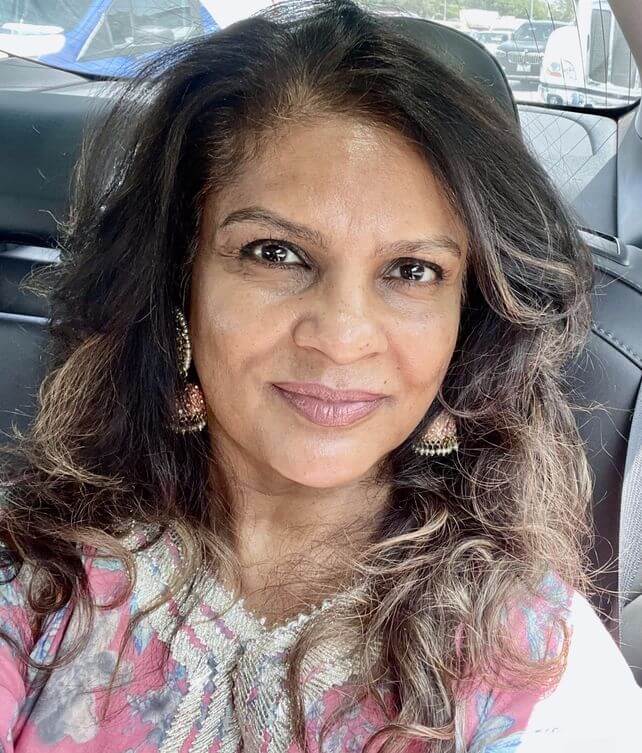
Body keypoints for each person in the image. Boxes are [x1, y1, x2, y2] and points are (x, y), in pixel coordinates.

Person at [0, 1, 640, 751]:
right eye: (275, 253)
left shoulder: (533, 662)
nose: (340, 337)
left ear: (467, 323)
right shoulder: (39, 575)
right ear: (181, 280)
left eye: (412, 270)